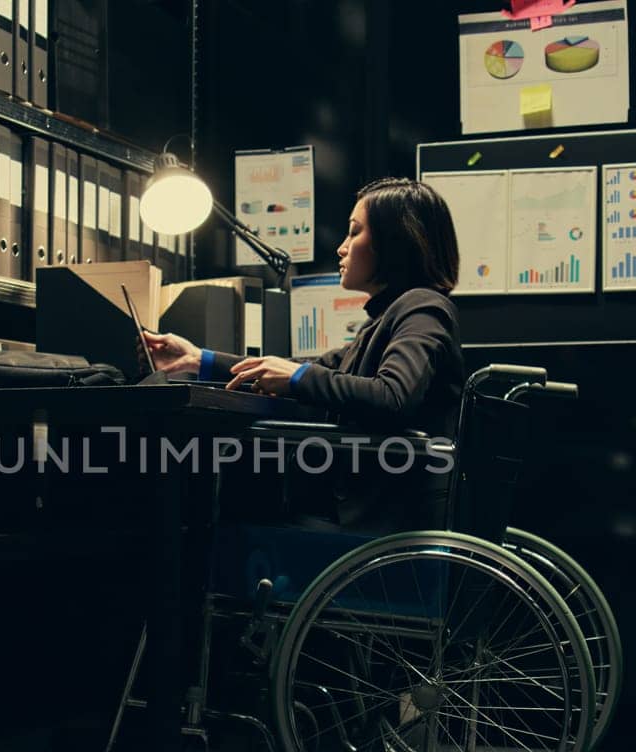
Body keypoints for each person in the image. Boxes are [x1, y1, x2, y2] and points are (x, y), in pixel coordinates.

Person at [143, 177, 465, 531]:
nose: (342, 248)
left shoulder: (423, 308)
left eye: (354, 233)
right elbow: (307, 369)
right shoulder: (384, 320)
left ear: (394, 243)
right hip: (369, 504)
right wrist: (197, 360)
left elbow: (394, 395)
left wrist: (297, 378)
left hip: (386, 516)